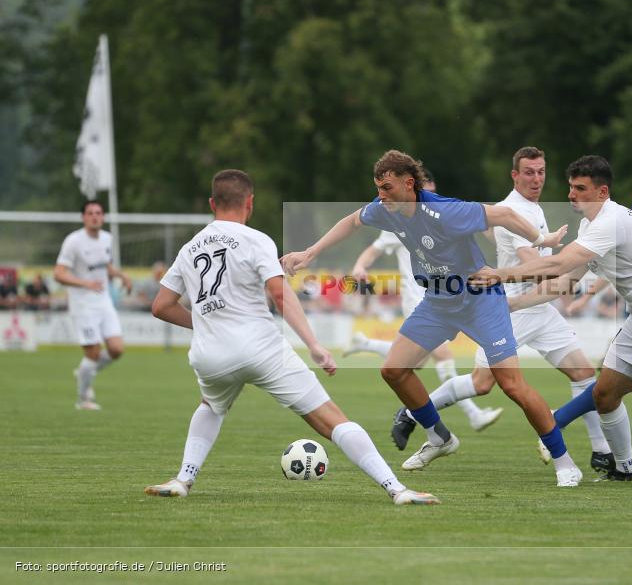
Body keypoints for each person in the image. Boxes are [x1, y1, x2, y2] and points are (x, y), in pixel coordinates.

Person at [281, 150, 583, 487]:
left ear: (409, 184)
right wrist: (310, 252)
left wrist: (542, 240)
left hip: (479, 299)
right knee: (393, 370)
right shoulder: (387, 209)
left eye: (387, 187)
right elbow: (352, 220)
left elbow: (504, 214)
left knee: (512, 385)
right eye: (378, 187)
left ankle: (564, 461)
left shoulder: (444, 211)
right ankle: (439, 437)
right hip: (438, 302)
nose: (381, 195)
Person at [144, 169, 438, 505]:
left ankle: (183, 479)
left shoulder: (189, 248)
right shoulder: (256, 240)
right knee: (332, 420)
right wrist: (314, 345)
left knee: (211, 405)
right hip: (261, 350)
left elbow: (160, 306)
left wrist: (210, 324)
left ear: (213, 203)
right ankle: (396, 489)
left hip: (210, 355)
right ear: (250, 203)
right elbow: (280, 295)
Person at [471, 154, 632, 491]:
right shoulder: (590, 226)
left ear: (602, 191)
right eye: (571, 187)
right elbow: (563, 283)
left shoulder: (610, 221)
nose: (571, 195)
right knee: (604, 394)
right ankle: (625, 467)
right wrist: (512, 303)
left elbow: (557, 265)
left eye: (580, 188)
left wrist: (498, 275)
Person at [389, 147, 612, 474]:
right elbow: (533, 265)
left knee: (583, 373)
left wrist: (571, 272)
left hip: (539, 307)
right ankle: (411, 413)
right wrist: (580, 268)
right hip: (508, 308)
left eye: (541, 171)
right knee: (482, 384)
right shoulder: (512, 210)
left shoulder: (533, 209)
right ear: (515, 175)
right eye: (529, 172)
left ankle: (600, 450)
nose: (537, 179)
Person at [345, 170, 503, 433]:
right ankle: (470, 415)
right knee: (441, 355)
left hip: (440, 296)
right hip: (418, 299)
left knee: (415, 363)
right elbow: (373, 249)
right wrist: (360, 266)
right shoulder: (396, 217)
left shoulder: (437, 215)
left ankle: (366, 344)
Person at [54, 201, 132, 410]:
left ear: (103, 216)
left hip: (104, 302)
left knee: (116, 349)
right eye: (90, 213)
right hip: (83, 305)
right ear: (83, 217)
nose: (95, 216)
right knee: (93, 353)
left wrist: (121, 274)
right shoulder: (73, 241)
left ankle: (84, 372)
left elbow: (105, 265)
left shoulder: (107, 238)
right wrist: (85, 283)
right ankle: (83, 399)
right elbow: (59, 273)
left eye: (98, 213)